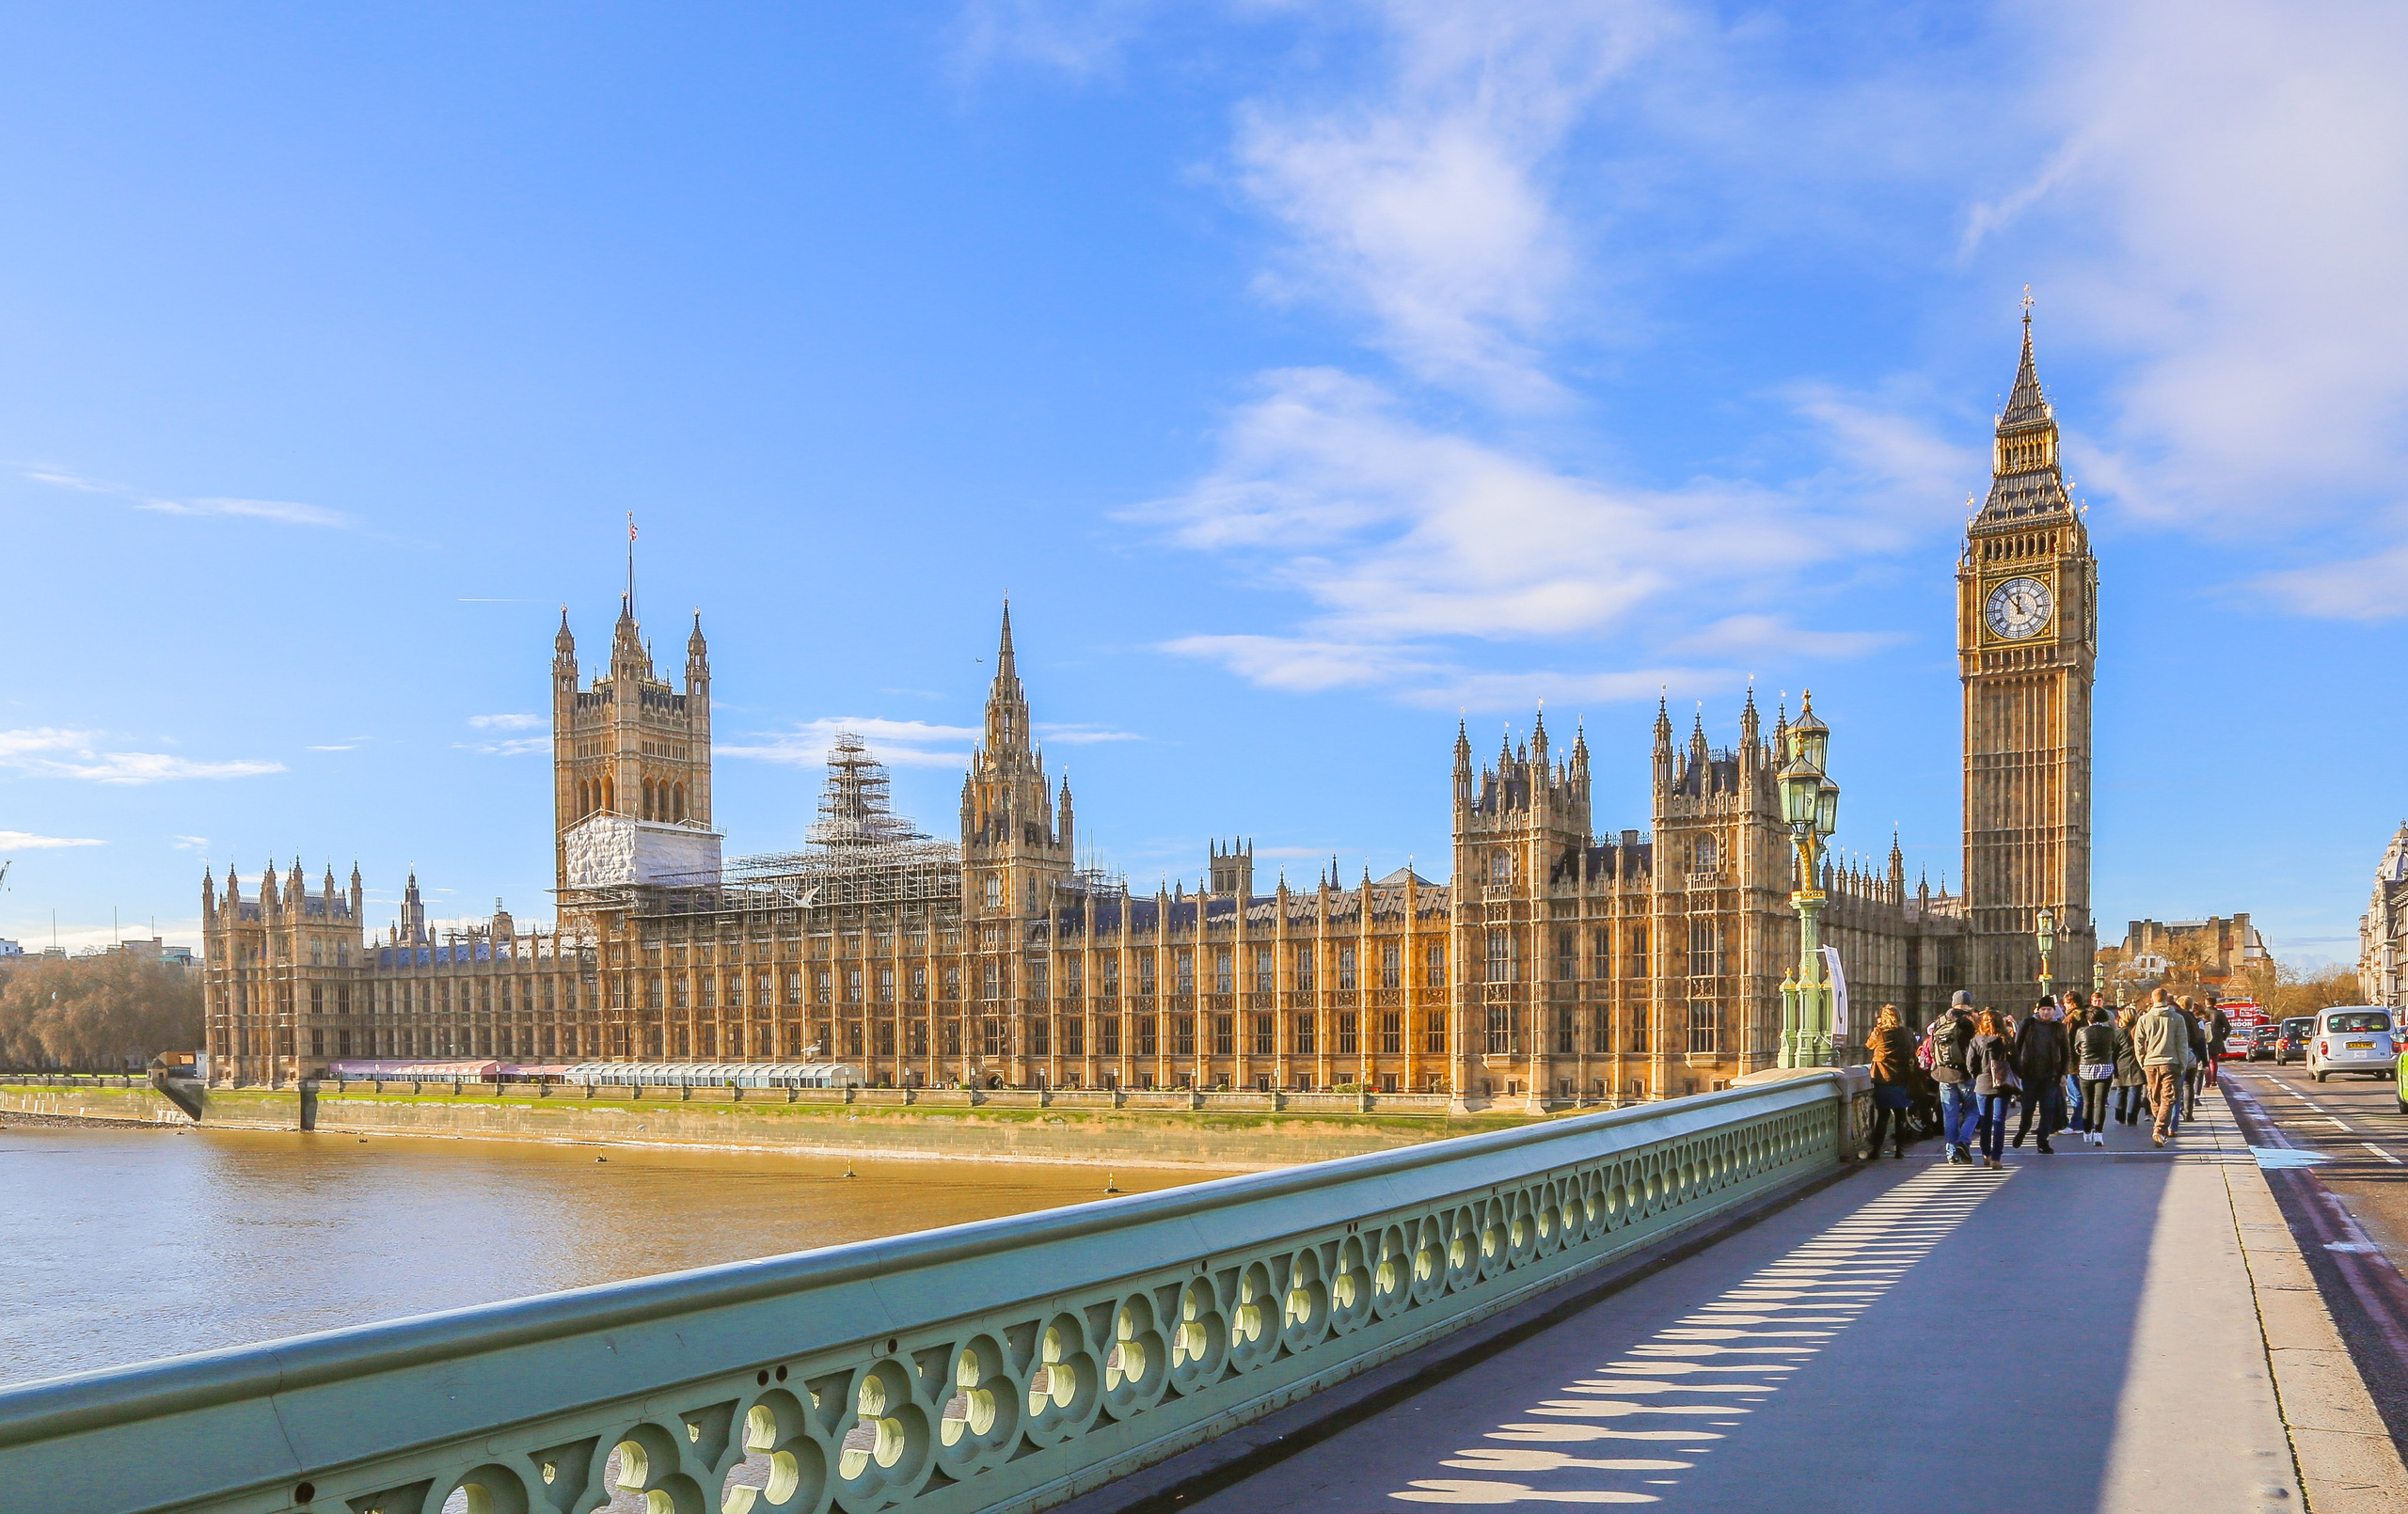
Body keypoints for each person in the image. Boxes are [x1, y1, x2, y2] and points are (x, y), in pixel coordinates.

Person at [2134, 988, 2192, 1147]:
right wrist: (2183, 1063)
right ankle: (2159, 1129)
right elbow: (2182, 1043)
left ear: (2152, 999)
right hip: (2171, 1062)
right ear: (2167, 999)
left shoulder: (2144, 1019)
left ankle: (2159, 1126)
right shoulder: (2177, 1018)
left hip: (2150, 1062)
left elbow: (2138, 1042)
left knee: (2154, 1096)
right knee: (2168, 1097)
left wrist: (2142, 1060)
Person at [2011, 999, 2069, 1153]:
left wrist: (2064, 1073)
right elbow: (2016, 1047)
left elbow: (2065, 1052)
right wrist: (2017, 1070)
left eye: (2049, 1010)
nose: (2046, 1012)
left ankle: (2042, 1142)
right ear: (2038, 1010)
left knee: (2048, 1109)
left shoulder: (2059, 1027)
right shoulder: (2028, 1024)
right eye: (2043, 1009)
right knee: (2028, 1107)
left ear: (2053, 1011)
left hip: (2050, 1075)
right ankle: (2023, 1130)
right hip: (2029, 1074)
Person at [1926, 992, 1979, 1163]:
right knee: (1973, 1111)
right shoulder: (1969, 1022)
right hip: (1965, 1075)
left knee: (1950, 1115)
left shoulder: (1940, 1022)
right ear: (1969, 1005)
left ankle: (1951, 1154)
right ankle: (1963, 1141)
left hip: (1944, 1074)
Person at [1864, 1004, 1917, 1159]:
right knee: (1901, 1116)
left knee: (1882, 1117)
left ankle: (1876, 1151)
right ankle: (1899, 1151)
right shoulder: (1907, 1033)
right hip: (1902, 1079)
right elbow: (1914, 1047)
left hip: (1884, 1081)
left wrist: (1877, 1028)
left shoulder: (1880, 1034)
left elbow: (1868, 1045)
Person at [1967, 1009, 2018, 1169]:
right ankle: (1996, 1158)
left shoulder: (1976, 1040)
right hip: (2002, 1086)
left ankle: (1985, 1155)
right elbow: (2016, 1063)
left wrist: (1978, 1077)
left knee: (1985, 1121)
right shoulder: (2006, 1041)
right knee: (2000, 1122)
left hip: (1982, 1084)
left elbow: (1970, 1064)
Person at [2074, 1005, 2118, 1146]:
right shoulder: (2109, 1031)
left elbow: (2076, 1048)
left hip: (2086, 1068)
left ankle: (2087, 1132)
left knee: (2088, 1103)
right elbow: (2115, 1047)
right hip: (2104, 1067)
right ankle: (2098, 1134)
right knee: (2100, 1102)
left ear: (2089, 1020)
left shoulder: (2082, 1031)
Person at [2111, 1004, 2146, 1126]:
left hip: (2121, 1063)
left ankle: (2119, 1117)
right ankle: (2132, 1118)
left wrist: (2113, 1065)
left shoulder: (2118, 1032)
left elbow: (2113, 1050)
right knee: (2135, 1091)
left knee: (2121, 1090)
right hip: (2136, 1062)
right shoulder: (2139, 1031)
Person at [2060, 991, 2090, 1132]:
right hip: (2085, 1060)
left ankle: (2077, 1123)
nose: (2064, 1006)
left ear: (2072, 1004)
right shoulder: (2087, 1015)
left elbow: (2065, 1041)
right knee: (2080, 1092)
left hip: (2073, 1062)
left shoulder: (2071, 1019)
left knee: (2076, 1093)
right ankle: (2084, 1122)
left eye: (2065, 1003)